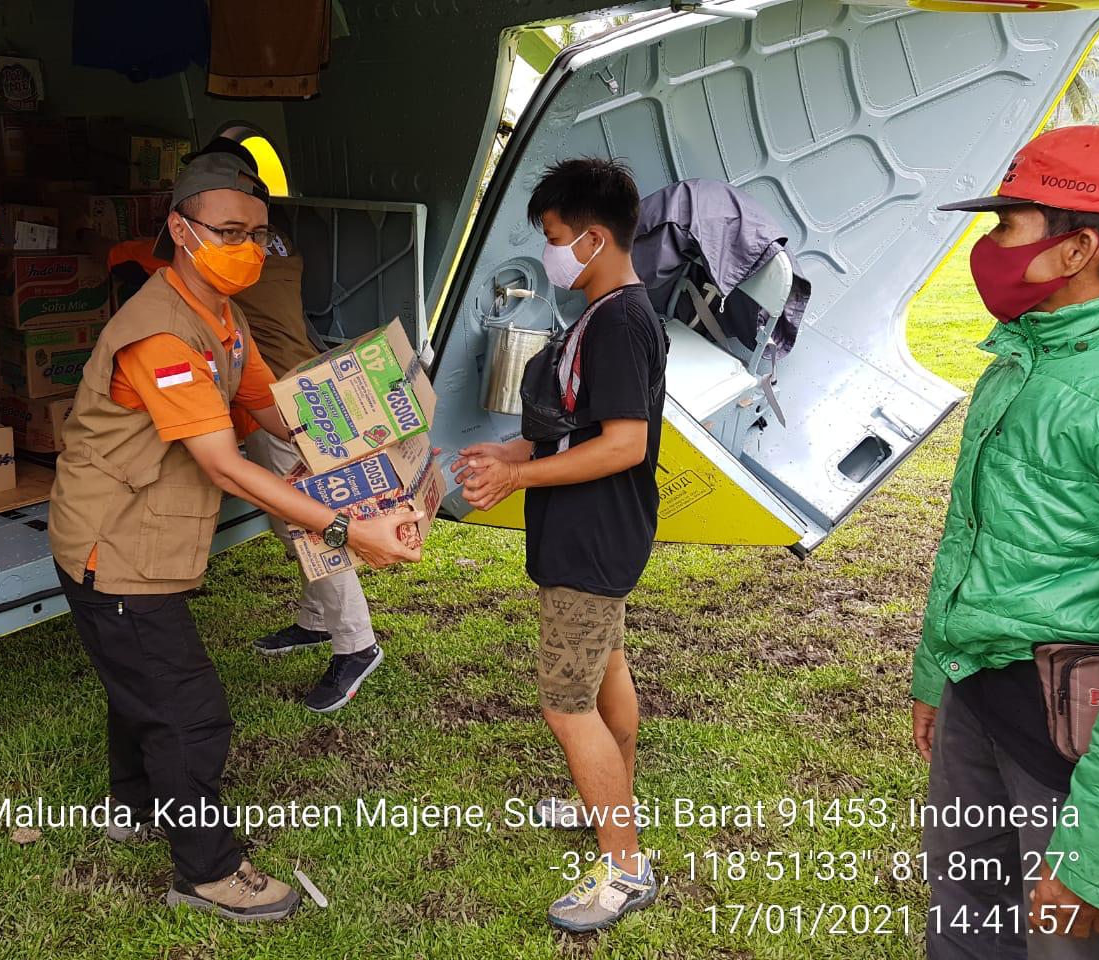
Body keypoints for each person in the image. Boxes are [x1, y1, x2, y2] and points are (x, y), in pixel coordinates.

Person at [48, 139, 422, 923]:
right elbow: (224, 465)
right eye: (228, 232)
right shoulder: (161, 334)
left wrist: (379, 458)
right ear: (180, 231)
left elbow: (277, 413)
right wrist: (348, 529)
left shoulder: (223, 317)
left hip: (138, 534)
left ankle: (135, 808)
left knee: (141, 688)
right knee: (189, 711)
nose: (247, 248)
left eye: (257, 234)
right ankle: (208, 872)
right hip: (114, 546)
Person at [452, 157, 665, 932]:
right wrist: (512, 452)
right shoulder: (603, 313)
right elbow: (578, 427)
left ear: (594, 238)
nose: (548, 253)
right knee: (607, 668)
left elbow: (623, 445)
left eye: (553, 236)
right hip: (597, 533)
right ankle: (610, 802)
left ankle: (625, 869)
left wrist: (518, 478)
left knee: (565, 705)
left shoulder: (619, 323)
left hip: (591, 537)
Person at [913, 125, 1099, 957]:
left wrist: (1095, 852)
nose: (988, 247)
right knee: (965, 922)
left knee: (1061, 940)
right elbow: (972, 534)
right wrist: (937, 675)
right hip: (979, 696)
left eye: (1006, 224)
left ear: (1079, 248)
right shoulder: (1022, 358)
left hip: (1070, 750)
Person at [231, 212, 384, 713]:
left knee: (305, 525)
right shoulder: (277, 242)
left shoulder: (232, 256)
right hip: (304, 385)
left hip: (274, 400)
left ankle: (357, 643)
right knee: (300, 521)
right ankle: (316, 621)